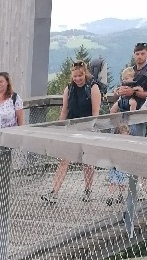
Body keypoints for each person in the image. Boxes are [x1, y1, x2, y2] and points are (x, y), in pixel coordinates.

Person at [41, 60, 102, 204]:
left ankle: (88, 190)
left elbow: (95, 112)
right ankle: (54, 191)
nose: (77, 79)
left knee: (87, 162)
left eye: (80, 76)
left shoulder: (93, 87)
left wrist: (91, 130)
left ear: (85, 74)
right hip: (70, 127)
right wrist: (58, 127)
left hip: (87, 128)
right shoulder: (69, 89)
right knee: (63, 159)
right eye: (75, 76)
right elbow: (64, 111)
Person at [0, 71, 24, 201]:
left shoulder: (14, 98)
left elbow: (20, 118)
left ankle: (0, 189)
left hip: (7, 136)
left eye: (1, 82)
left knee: (1, 163)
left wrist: (20, 135)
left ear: (7, 82)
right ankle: (2, 185)